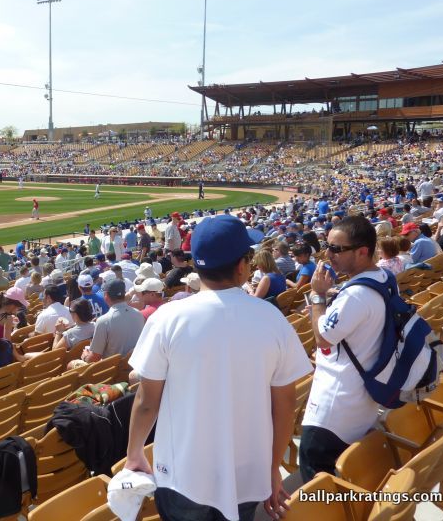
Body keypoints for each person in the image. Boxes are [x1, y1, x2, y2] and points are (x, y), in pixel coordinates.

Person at [124, 215, 312, 521]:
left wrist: (134, 452)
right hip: (248, 472)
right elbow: (285, 405)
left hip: (182, 473)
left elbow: (147, 402)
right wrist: (273, 471)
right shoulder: (272, 318)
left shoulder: (166, 318)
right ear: (241, 266)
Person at [300, 215, 388, 482]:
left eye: (337, 249)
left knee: (320, 494)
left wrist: (318, 297)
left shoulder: (356, 295)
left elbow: (323, 339)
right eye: (328, 246)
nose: (328, 255)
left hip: (334, 410)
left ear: (362, 251)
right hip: (360, 401)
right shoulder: (381, 277)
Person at [82, 279, 144, 363]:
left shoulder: (103, 321)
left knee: (72, 364)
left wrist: (85, 356)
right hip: (135, 365)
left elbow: (94, 358)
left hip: (115, 372)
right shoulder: (139, 314)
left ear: (106, 295)